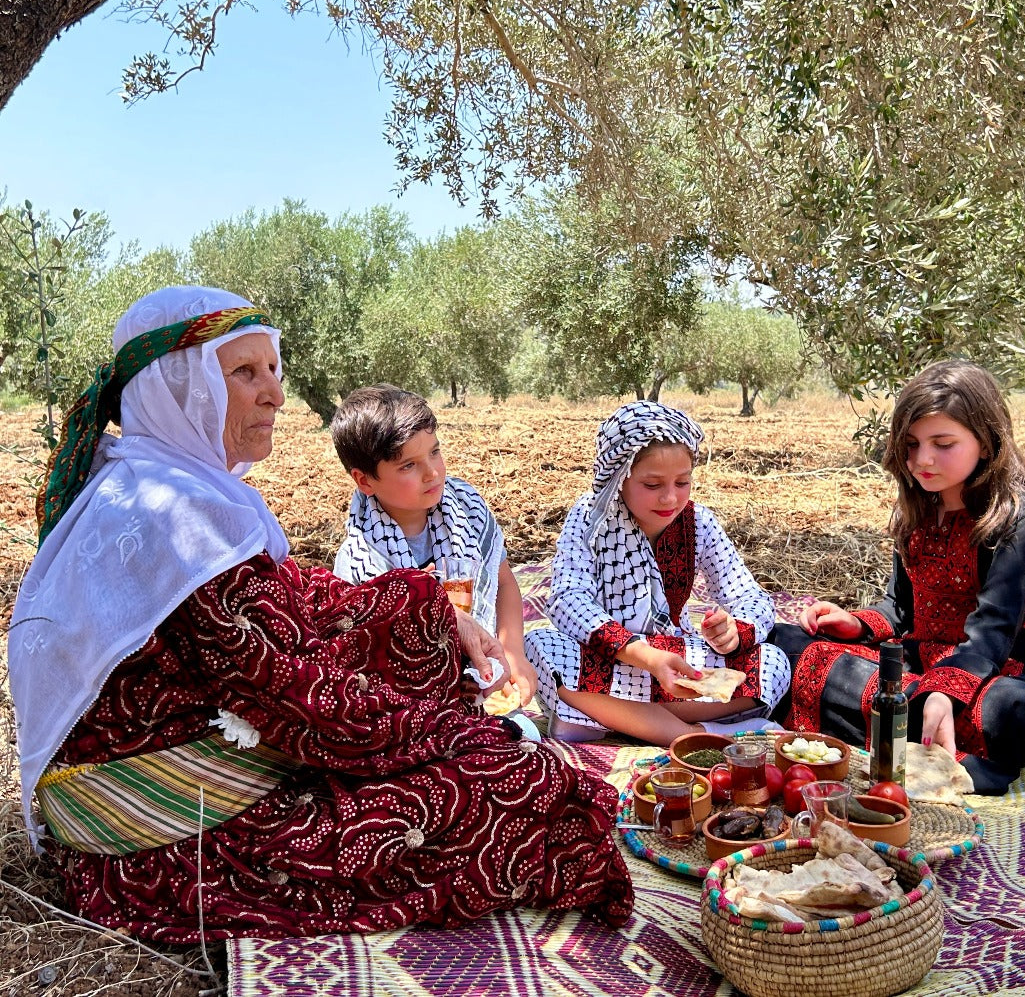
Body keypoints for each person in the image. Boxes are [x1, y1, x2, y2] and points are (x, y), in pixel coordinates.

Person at [8, 286, 633, 943]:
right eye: (244, 372)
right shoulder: (174, 522)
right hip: (178, 845)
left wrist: (436, 613)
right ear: (177, 388)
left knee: (417, 618)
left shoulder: (157, 488)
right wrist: (468, 735)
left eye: (272, 369)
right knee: (524, 783)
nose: (275, 393)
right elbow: (310, 707)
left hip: (199, 777)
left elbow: (296, 596)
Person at [773, 360, 1025, 794]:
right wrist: (856, 624)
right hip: (921, 662)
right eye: (912, 444)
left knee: (1010, 711)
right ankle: (922, 727)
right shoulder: (917, 509)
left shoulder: (1020, 516)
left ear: (987, 443)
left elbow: (993, 633)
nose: (922, 459)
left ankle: (908, 724)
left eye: (943, 443)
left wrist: (947, 691)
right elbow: (900, 607)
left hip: (1006, 674)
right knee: (786, 642)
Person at [525, 400, 791, 746]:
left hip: (675, 662)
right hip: (611, 657)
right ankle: (698, 736)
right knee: (538, 646)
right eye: (652, 485)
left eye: (682, 482)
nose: (670, 498)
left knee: (773, 662)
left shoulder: (699, 522)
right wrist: (644, 656)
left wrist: (735, 632)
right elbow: (567, 600)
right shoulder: (591, 518)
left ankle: (609, 719)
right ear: (619, 478)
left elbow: (748, 596)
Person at [330, 384, 539, 733]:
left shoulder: (466, 508)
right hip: (420, 697)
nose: (432, 473)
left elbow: (502, 581)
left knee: (542, 654)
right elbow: (377, 665)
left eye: (435, 452)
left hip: (485, 672)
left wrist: (512, 651)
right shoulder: (361, 563)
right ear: (365, 481)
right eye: (409, 465)